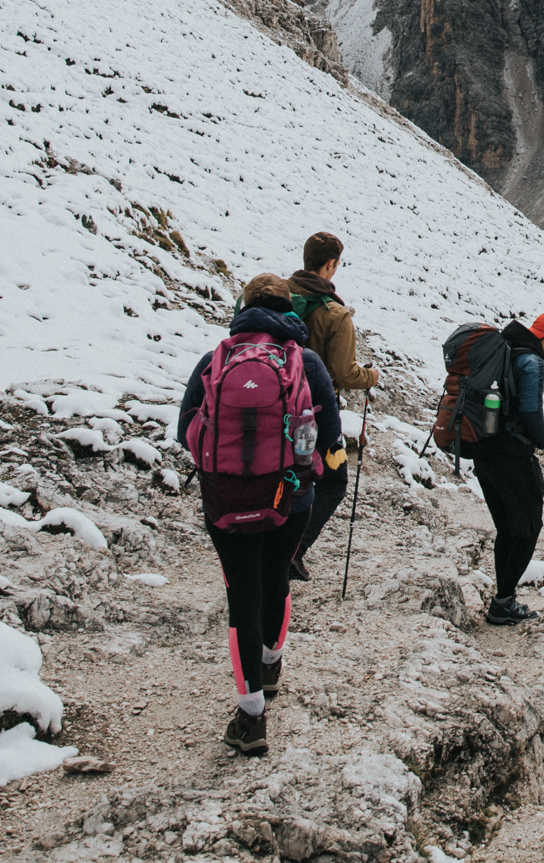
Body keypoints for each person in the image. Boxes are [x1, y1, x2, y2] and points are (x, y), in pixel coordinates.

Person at [177, 274, 343, 757]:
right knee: (276, 578)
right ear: (288, 309)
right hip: (289, 499)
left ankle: (251, 717)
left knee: (241, 595)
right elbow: (329, 438)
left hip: (226, 499)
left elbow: (185, 429)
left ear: (243, 307)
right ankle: (270, 665)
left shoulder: (216, 360)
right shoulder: (307, 363)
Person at [286, 231, 378, 581]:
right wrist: (370, 377)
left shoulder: (276, 296)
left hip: (269, 403)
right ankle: (292, 549)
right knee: (331, 480)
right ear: (330, 265)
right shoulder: (334, 314)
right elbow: (344, 372)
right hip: (314, 412)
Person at [476, 309, 544, 627]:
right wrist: (543, 437)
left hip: (484, 453)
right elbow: (531, 413)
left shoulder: (505, 352)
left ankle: (503, 598)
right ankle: (503, 602)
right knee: (529, 527)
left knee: (508, 528)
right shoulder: (532, 363)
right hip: (512, 456)